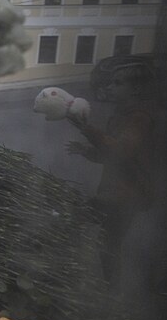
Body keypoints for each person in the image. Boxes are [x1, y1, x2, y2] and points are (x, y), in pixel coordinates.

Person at [66, 63, 159, 294]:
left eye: (118, 83)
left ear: (136, 89)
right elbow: (111, 156)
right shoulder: (121, 115)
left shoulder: (140, 118)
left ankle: (109, 295)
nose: (110, 87)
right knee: (105, 242)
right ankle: (106, 291)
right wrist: (86, 151)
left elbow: (121, 151)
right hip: (114, 192)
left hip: (127, 195)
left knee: (106, 243)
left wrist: (87, 129)